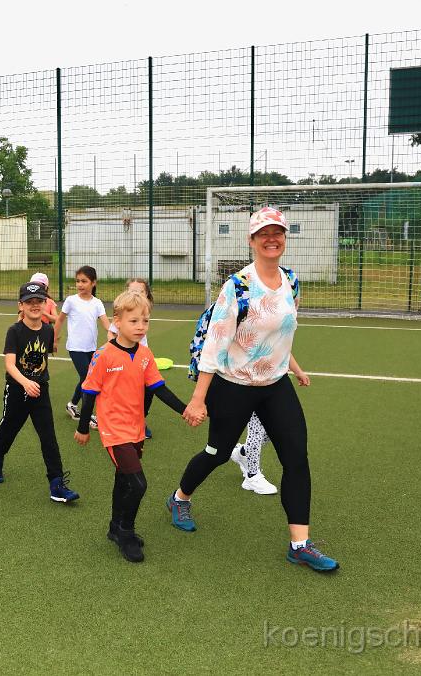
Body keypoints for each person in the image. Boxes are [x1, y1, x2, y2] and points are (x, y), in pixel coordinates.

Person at [167, 207, 338, 573]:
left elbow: (280, 333)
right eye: (264, 234)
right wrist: (198, 399)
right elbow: (215, 344)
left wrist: (294, 368)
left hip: (274, 385)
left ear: (285, 238)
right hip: (233, 385)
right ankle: (180, 498)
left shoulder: (291, 281)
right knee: (217, 453)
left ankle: (300, 545)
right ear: (252, 240)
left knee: (296, 458)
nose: (271, 239)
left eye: (277, 233)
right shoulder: (238, 286)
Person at [75, 290, 194, 562]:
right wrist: (83, 428)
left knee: (123, 480)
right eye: (134, 321)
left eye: (145, 321)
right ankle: (126, 534)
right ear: (117, 321)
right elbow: (89, 393)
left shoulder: (144, 354)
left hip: (136, 428)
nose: (141, 326)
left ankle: (115, 527)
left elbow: (159, 389)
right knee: (138, 484)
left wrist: (185, 410)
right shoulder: (103, 355)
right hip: (113, 431)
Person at [0, 281, 78, 504]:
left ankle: (56, 483)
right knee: (8, 429)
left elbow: (45, 356)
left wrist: (36, 382)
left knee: (48, 437)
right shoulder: (14, 331)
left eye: (39, 301)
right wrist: (26, 382)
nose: (35, 305)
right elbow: (10, 364)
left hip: (41, 391)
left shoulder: (48, 330)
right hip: (17, 390)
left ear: (45, 304)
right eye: (30, 302)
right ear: (21, 305)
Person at [230, 353, 310, 496]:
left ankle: (243, 452)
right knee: (256, 429)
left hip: (274, 384)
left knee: (274, 429)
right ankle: (251, 476)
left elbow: (282, 348)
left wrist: (298, 371)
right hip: (251, 383)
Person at [54, 265, 109, 427]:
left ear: (93, 283)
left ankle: (72, 404)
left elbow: (106, 324)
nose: (80, 284)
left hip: (91, 348)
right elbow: (59, 320)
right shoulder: (71, 301)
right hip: (75, 347)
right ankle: (88, 415)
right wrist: (54, 340)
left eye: (84, 281)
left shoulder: (97, 303)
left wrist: (118, 333)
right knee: (88, 378)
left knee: (85, 378)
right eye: (78, 281)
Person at [108, 279, 155, 438]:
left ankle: (140, 419)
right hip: (126, 360)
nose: (136, 295)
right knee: (126, 392)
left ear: (146, 295)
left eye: (140, 292)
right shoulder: (124, 313)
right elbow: (111, 333)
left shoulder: (144, 311)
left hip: (143, 359)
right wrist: (116, 351)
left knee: (149, 389)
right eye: (132, 292)